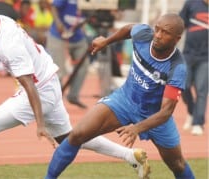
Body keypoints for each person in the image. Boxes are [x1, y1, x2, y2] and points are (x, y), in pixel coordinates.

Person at [0, 1, 150, 179]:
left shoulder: (9, 42)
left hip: (39, 89)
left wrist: (39, 123)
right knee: (70, 138)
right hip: (48, 83)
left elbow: (27, 84)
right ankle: (130, 156)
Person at [45, 13, 195, 179]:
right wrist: (106, 41)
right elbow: (129, 29)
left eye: (165, 32)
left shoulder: (177, 67)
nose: (158, 35)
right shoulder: (144, 34)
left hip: (155, 116)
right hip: (125, 100)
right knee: (77, 135)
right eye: (157, 29)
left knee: (177, 164)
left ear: (177, 38)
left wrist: (137, 128)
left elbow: (166, 112)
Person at [46, 0, 89, 108]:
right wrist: (58, 23)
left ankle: (73, 96)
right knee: (57, 70)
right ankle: (55, 101)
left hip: (78, 38)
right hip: (58, 35)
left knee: (83, 67)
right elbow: (53, 7)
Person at [179, 0, 208, 136]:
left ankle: (198, 123)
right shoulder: (191, 3)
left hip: (206, 58)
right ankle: (192, 111)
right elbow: (180, 25)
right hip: (188, 54)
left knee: (201, 90)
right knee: (183, 86)